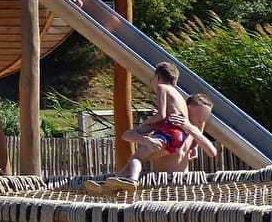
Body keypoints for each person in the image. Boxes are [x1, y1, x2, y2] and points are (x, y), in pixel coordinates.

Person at [87, 63, 207, 195]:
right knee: (140, 157)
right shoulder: (180, 96)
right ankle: (113, 181)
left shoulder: (162, 87)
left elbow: (161, 114)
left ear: (157, 78)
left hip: (170, 131)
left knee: (136, 158)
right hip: (180, 137)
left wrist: (146, 123)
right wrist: (194, 146)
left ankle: (132, 180)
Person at [148, 94, 218, 174]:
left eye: (206, 116)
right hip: (165, 178)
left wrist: (195, 145)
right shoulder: (171, 128)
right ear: (188, 109)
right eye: (201, 114)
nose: (203, 119)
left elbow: (212, 152)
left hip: (184, 178)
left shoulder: (192, 129)